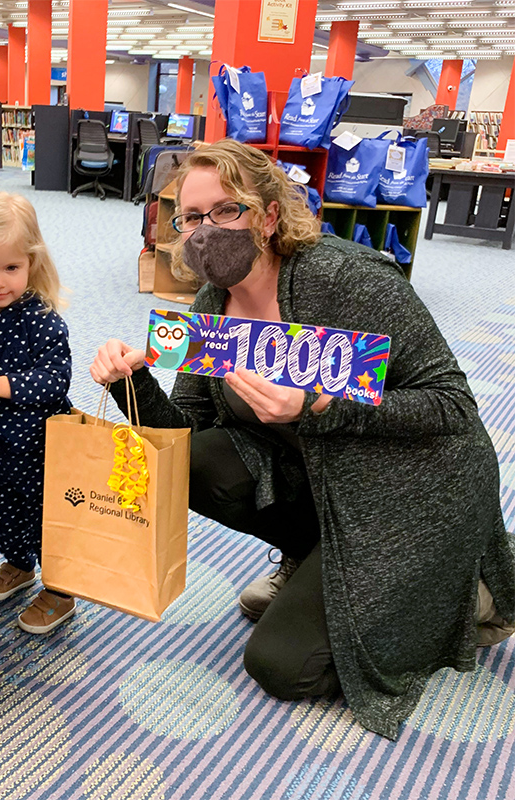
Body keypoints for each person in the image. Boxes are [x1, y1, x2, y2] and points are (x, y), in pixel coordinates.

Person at [89, 138, 515, 740]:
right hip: (323, 480)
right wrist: (134, 384)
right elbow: (189, 437)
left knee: (282, 668)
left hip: (410, 490)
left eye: (226, 211)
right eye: (189, 218)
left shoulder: (343, 280)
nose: (205, 231)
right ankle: (315, 554)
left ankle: (469, 589)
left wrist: (320, 404)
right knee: (198, 464)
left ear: (267, 215)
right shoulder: (214, 301)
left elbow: (451, 406)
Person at [0, 192, 75, 634]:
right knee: (7, 511)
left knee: (48, 518)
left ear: (32, 263)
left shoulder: (41, 319)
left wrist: (2, 385)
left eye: (11, 268)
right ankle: (19, 564)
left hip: (43, 446)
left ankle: (61, 590)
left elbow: (56, 380)